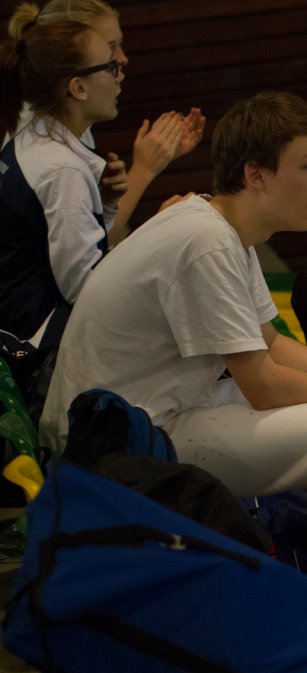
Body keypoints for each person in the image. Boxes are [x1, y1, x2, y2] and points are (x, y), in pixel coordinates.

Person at [40, 91, 307, 574]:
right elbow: (263, 386)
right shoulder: (206, 241)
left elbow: (272, 343)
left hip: (143, 416)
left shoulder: (222, 229)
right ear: (256, 174)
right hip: (114, 447)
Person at [0, 11, 127, 393]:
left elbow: (50, 246)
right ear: (78, 87)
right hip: (39, 358)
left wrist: (103, 204)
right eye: (109, 65)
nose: (119, 74)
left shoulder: (33, 137)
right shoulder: (62, 170)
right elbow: (85, 289)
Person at [16, 0, 206, 242]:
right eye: (109, 51)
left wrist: (105, 202)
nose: (121, 60)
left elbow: (90, 236)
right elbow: (92, 257)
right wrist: (145, 169)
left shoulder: (61, 125)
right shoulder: (57, 161)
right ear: (77, 84)